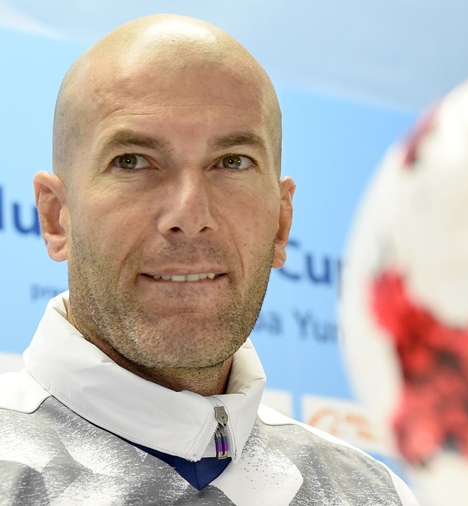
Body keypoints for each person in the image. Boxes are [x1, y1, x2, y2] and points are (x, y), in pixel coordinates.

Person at [0, 14, 419, 505]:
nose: (190, 214)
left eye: (232, 162)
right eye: (133, 161)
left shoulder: (372, 495)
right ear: (56, 217)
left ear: (282, 223)